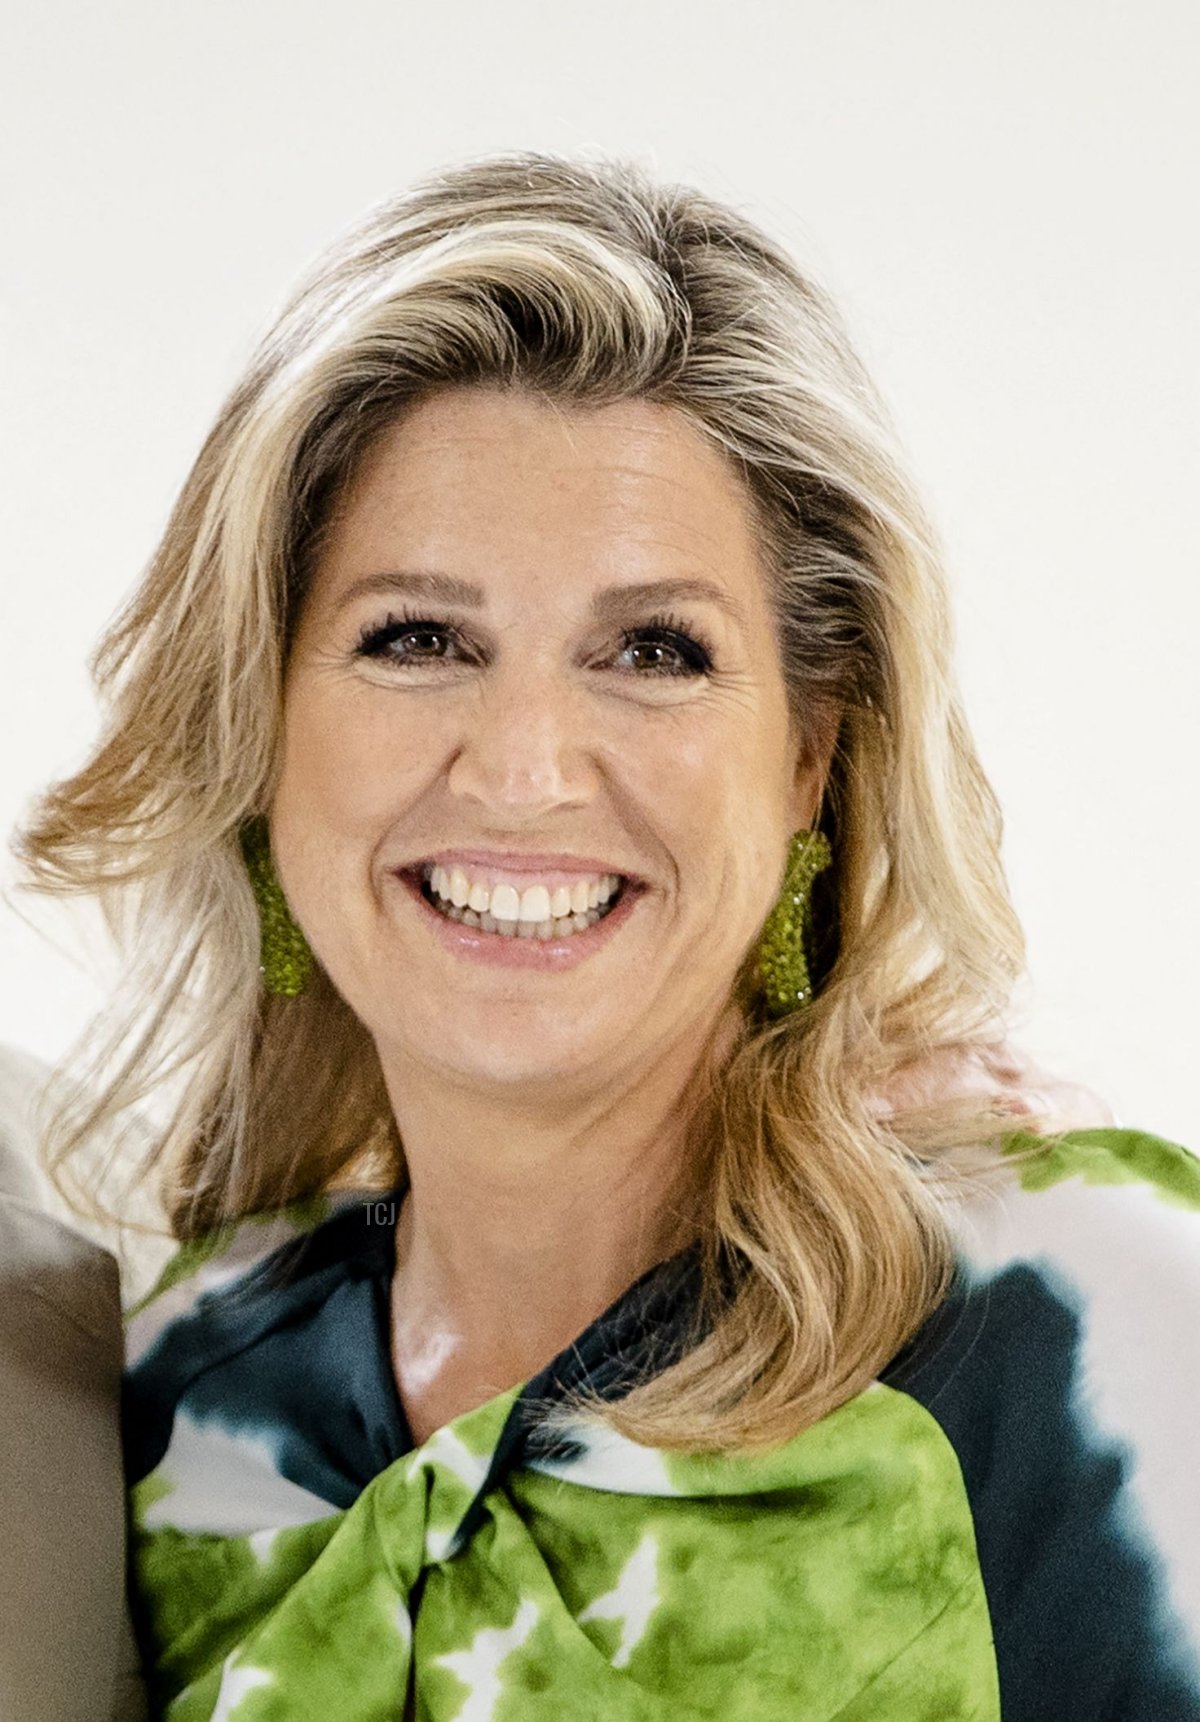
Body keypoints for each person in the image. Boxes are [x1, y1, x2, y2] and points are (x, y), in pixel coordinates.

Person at [12, 151, 1200, 1720]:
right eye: (417, 637)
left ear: (807, 759)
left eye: (653, 649)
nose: (522, 766)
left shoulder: (1081, 1333)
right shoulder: (168, 1401)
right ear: (260, 731)